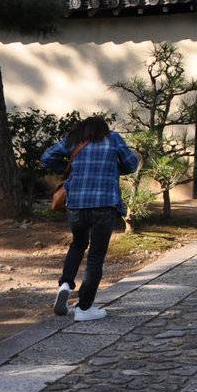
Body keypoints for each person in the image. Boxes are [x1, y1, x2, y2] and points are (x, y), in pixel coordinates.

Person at [41, 116, 139, 321]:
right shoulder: (113, 139)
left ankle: (66, 284)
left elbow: (47, 157)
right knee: (96, 255)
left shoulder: (74, 139)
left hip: (76, 204)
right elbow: (131, 165)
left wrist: (70, 167)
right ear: (104, 129)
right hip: (105, 205)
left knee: (77, 244)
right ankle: (84, 308)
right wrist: (114, 167)